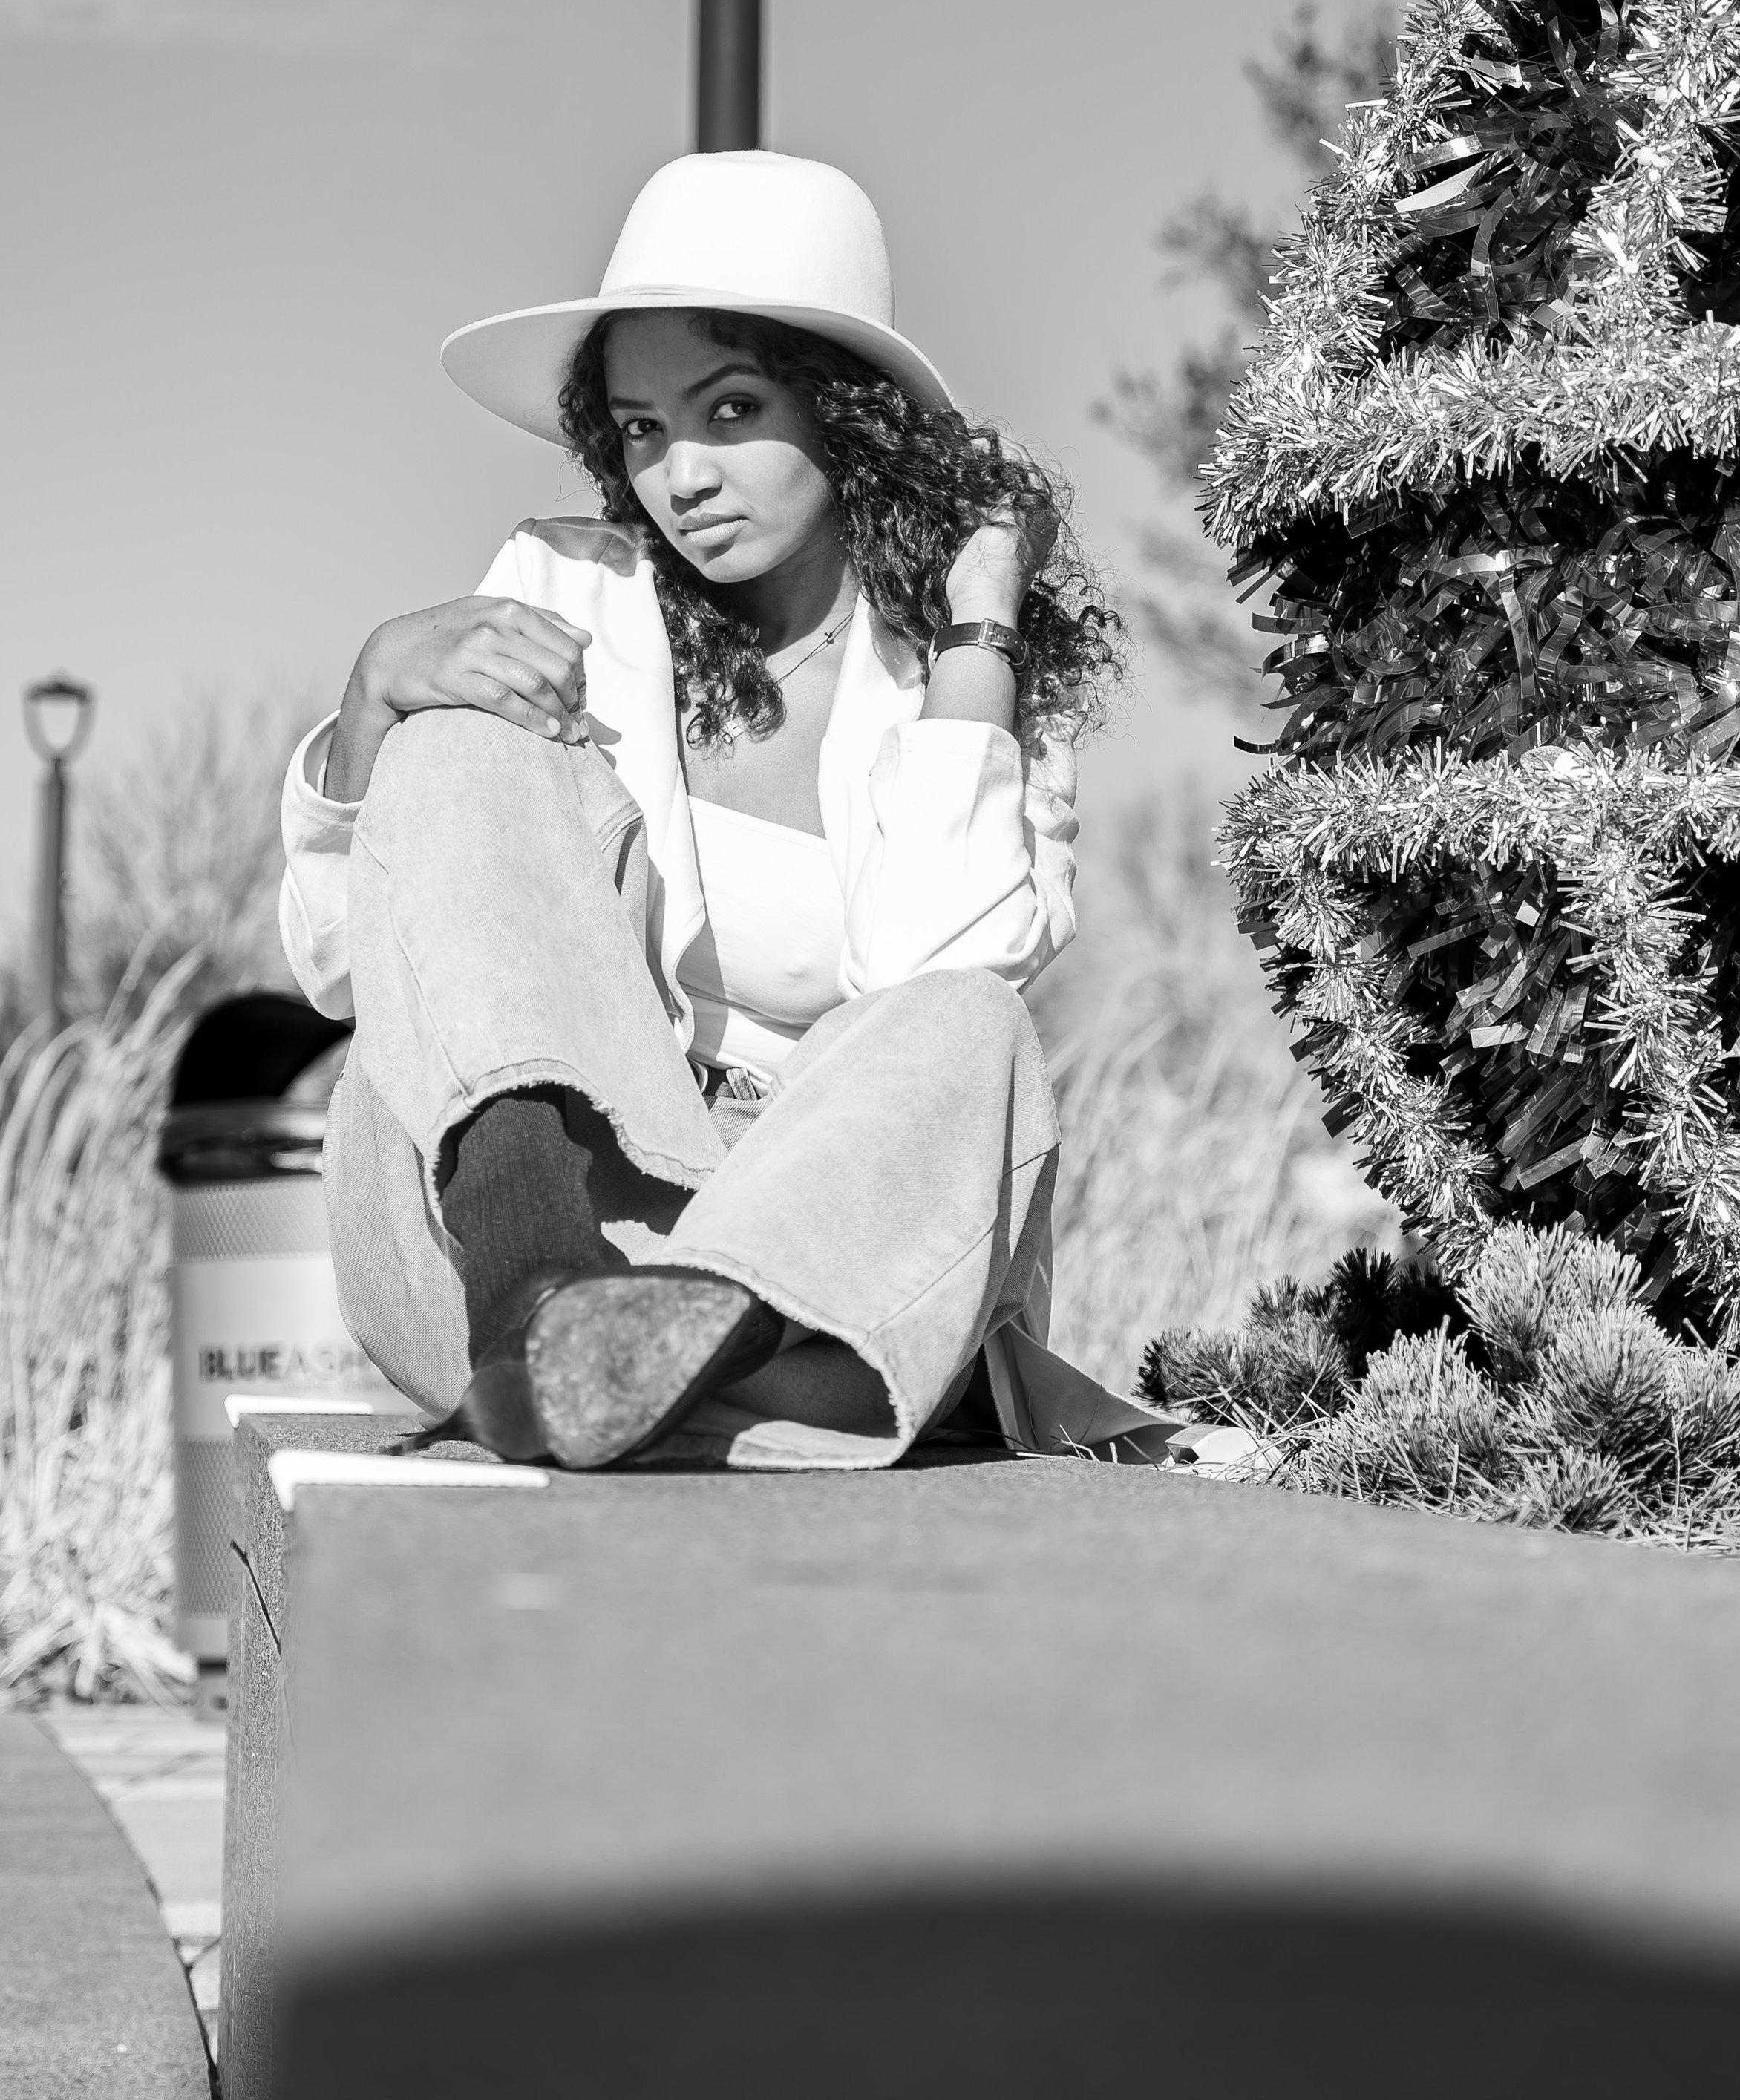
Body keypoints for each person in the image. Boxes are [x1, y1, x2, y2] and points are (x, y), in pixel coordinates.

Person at [278, 149, 1172, 1471]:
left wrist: (980, 629)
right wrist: (372, 701)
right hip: (487, 1251)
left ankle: (679, 1352)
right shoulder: (564, 589)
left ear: (844, 419)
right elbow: (357, 968)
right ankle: (548, 1315)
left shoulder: (958, 687)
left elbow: (936, 980)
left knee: (973, 1021)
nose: (679, 473)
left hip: (822, 1279)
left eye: (732, 407)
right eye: (641, 428)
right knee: (466, 739)